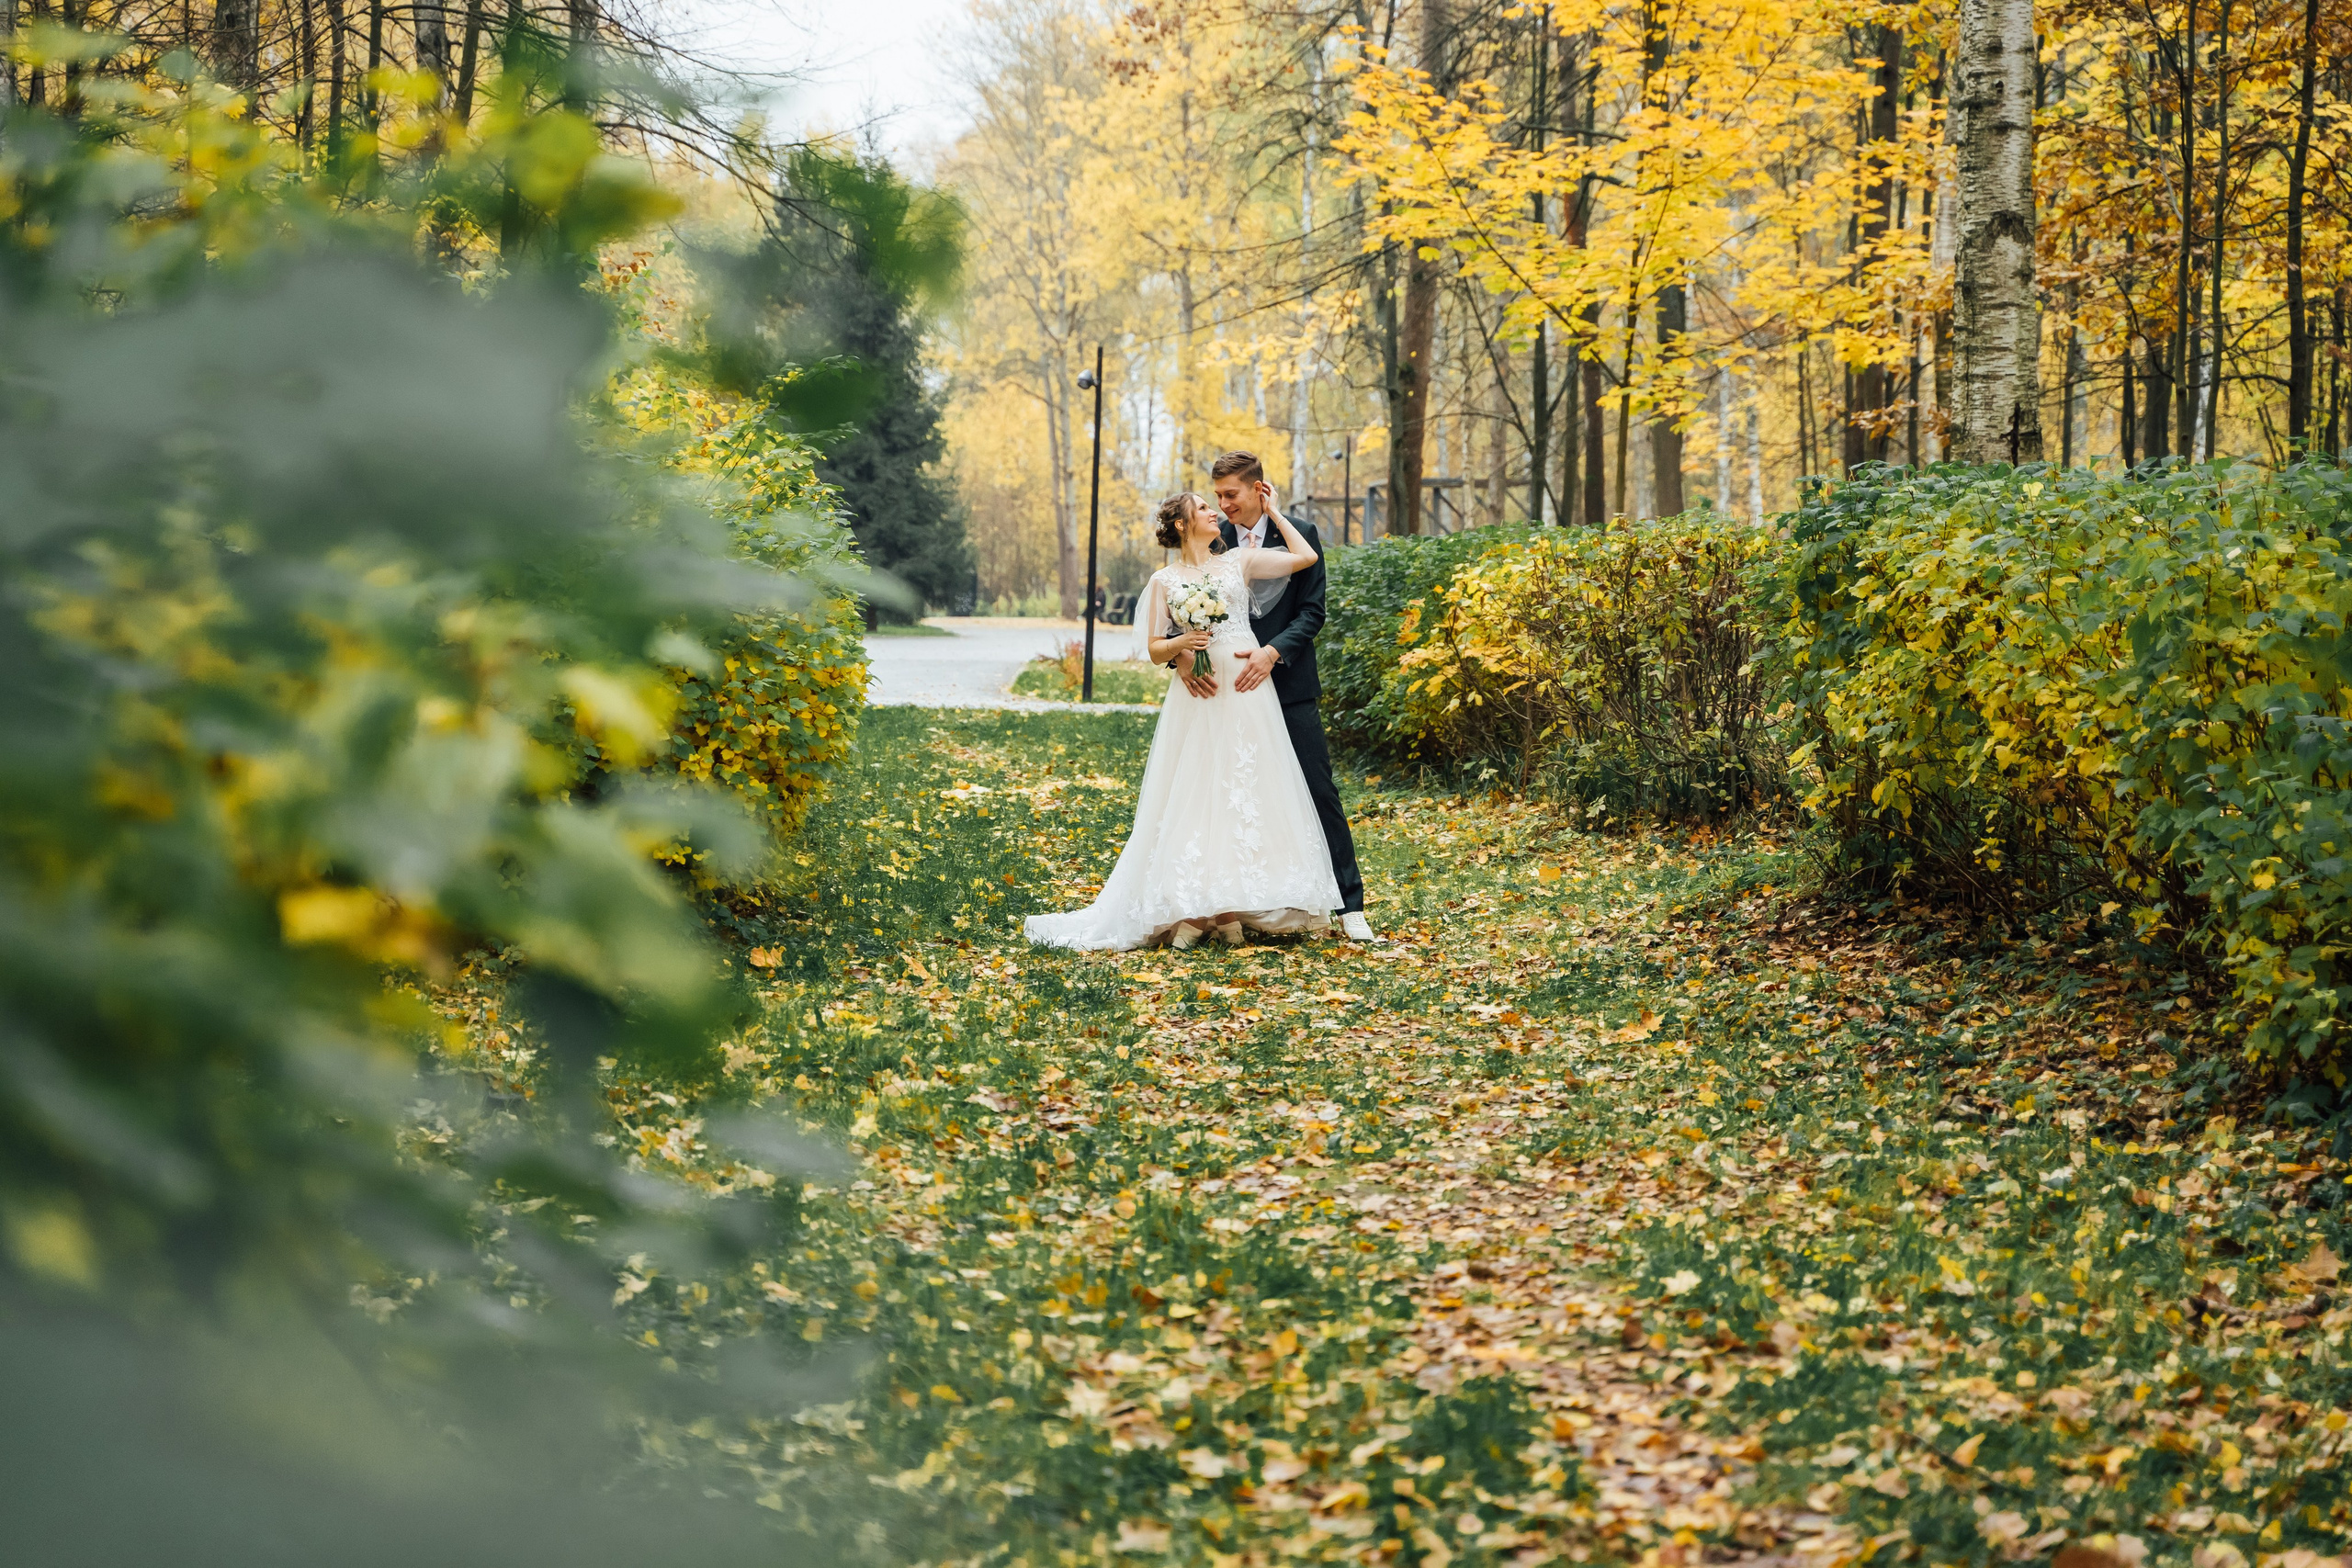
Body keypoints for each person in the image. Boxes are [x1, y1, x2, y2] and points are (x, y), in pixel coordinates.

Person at [1023, 491, 1341, 951]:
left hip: (1249, 690)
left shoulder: (1239, 562)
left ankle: (1230, 904)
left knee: (1244, 787)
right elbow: (1155, 649)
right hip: (1200, 696)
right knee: (1199, 790)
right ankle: (1202, 908)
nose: (1217, 513)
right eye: (1205, 509)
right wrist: (1183, 645)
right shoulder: (1163, 580)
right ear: (1182, 524)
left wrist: (1273, 511)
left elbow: (1305, 556)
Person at [1192, 452, 1374, 943]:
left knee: (1318, 791)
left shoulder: (1300, 533)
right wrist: (1184, 661)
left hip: (1288, 684)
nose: (1223, 504)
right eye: (1218, 495)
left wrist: (1272, 654)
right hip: (1230, 693)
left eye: (1231, 493)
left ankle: (1349, 905)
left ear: (1258, 489)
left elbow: (1313, 612)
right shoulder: (1213, 539)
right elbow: (1182, 608)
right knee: (1239, 796)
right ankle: (1255, 904)